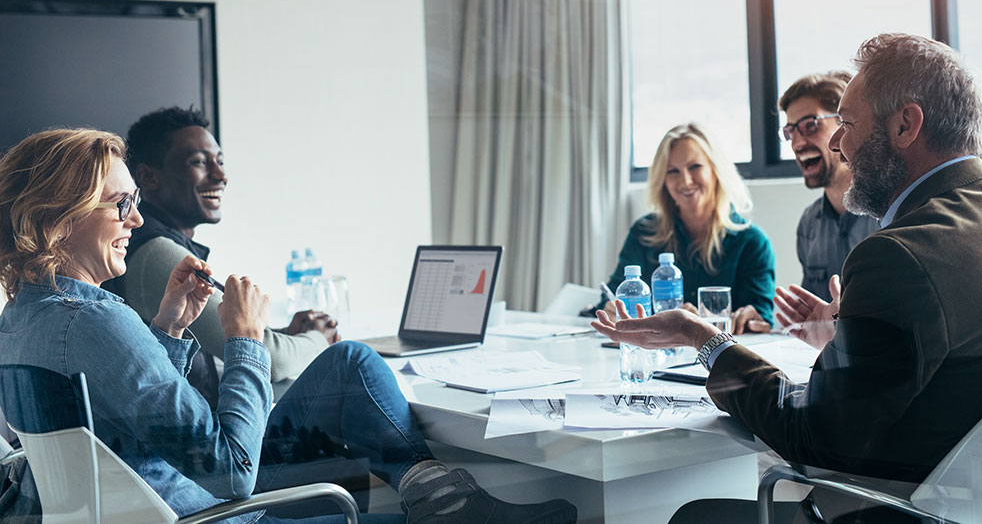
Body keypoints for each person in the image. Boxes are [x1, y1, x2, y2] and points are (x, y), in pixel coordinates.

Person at [0, 128, 577, 524]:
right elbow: (232, 474)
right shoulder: (96, 320)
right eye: (119, 204)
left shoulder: (24, 317)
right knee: (353, 377)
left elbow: (126, 426)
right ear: (59, 214)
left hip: (152, 496)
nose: (137, 218)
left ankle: (444, 500)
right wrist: (249, 338)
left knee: (349, 363)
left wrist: (170, 329)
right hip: (212, 508)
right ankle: (445, 504)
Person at [591, 33, 982, 523]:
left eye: (846, 123)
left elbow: (812, 439)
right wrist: (846, 337)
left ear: (906, 125)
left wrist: (704, 339)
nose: (835, 142)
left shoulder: (897, 256)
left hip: (896, 509)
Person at [103, 107, 333, 388]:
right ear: (149, 177)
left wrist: (289, 334)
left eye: (220, 161)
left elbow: (236, 338)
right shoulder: (155, 253)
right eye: (199, 162)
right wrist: (320, 337)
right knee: (354, 358)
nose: (220, 175)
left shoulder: (163, 244)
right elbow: (271, 361)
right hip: (198, 429)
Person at [600, 123, 775, 335]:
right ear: (662, 181)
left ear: (715, 170)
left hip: (723, 360)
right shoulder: (644, 233)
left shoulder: (752, 243)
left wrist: (750, 318)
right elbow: (611, 296)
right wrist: (611, 309)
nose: (685, 180)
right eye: (673, 171)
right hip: (656, 355)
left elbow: (761, 317)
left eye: (695, 167)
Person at [779, 71, 878, 301]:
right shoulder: (809, 224)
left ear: (845, 125)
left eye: (810, 125)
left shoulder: (889, 214)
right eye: (790, 131)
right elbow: (813, 315)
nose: (797, 143)